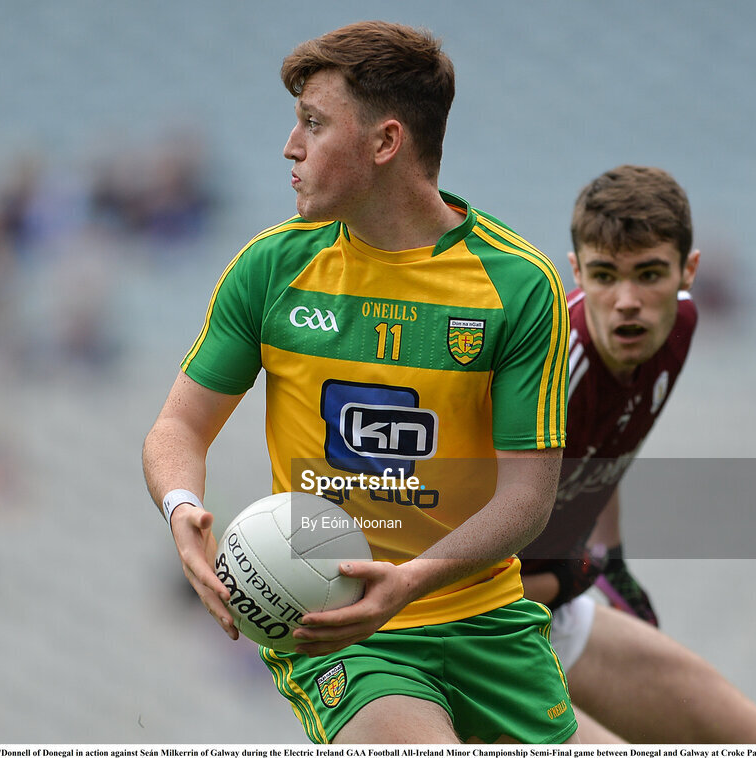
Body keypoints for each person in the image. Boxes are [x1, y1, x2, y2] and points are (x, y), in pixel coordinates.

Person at [142, 21, 578, 745]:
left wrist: (410, 582)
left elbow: (529, 497)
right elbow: (177, 428)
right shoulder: (271, 267)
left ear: (385, 143)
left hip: (489, 619)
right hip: (337, 622)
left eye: (313, 123)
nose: (290, 146)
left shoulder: (518, 285)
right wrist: (182, 506)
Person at [518, 165, 756, 743]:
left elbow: (610, 450)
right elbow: (451, 569)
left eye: (650, 274)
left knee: (753, 742)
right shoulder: (552, 374)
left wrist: (607, 557)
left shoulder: (679, 326)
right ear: (577, 272)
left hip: (546, 607)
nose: (628, 302)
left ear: (689, 271)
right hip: (471, 626)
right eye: (606, 276)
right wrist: (571, 579)